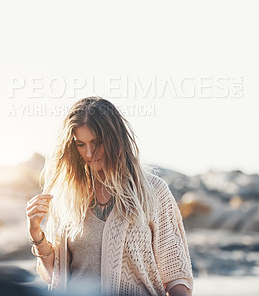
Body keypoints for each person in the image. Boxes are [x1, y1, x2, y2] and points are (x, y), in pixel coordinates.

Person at [26, 96, 193, 295]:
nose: (89, 153)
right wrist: (36, 233)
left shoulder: (153, 192)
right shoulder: (68, 196)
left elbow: (176, 276)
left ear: (115, 139)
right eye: (80, 144)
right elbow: (56, 274)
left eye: (96, 142)